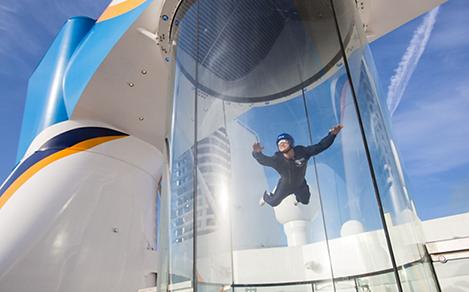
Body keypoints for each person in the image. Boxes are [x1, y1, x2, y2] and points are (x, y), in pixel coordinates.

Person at [252, 125, 343, 207]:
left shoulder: (302, 151)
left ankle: (297, 198)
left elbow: (320, 146)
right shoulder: (277, 159)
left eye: (284, 142)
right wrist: (257, 153)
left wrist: (332, 135)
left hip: (300, 183)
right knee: (273, 203)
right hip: (285, 186)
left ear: (291, 143)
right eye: (279, 144)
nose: (282, 145)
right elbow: (264, 161)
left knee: (305, 201)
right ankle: (265, 197)